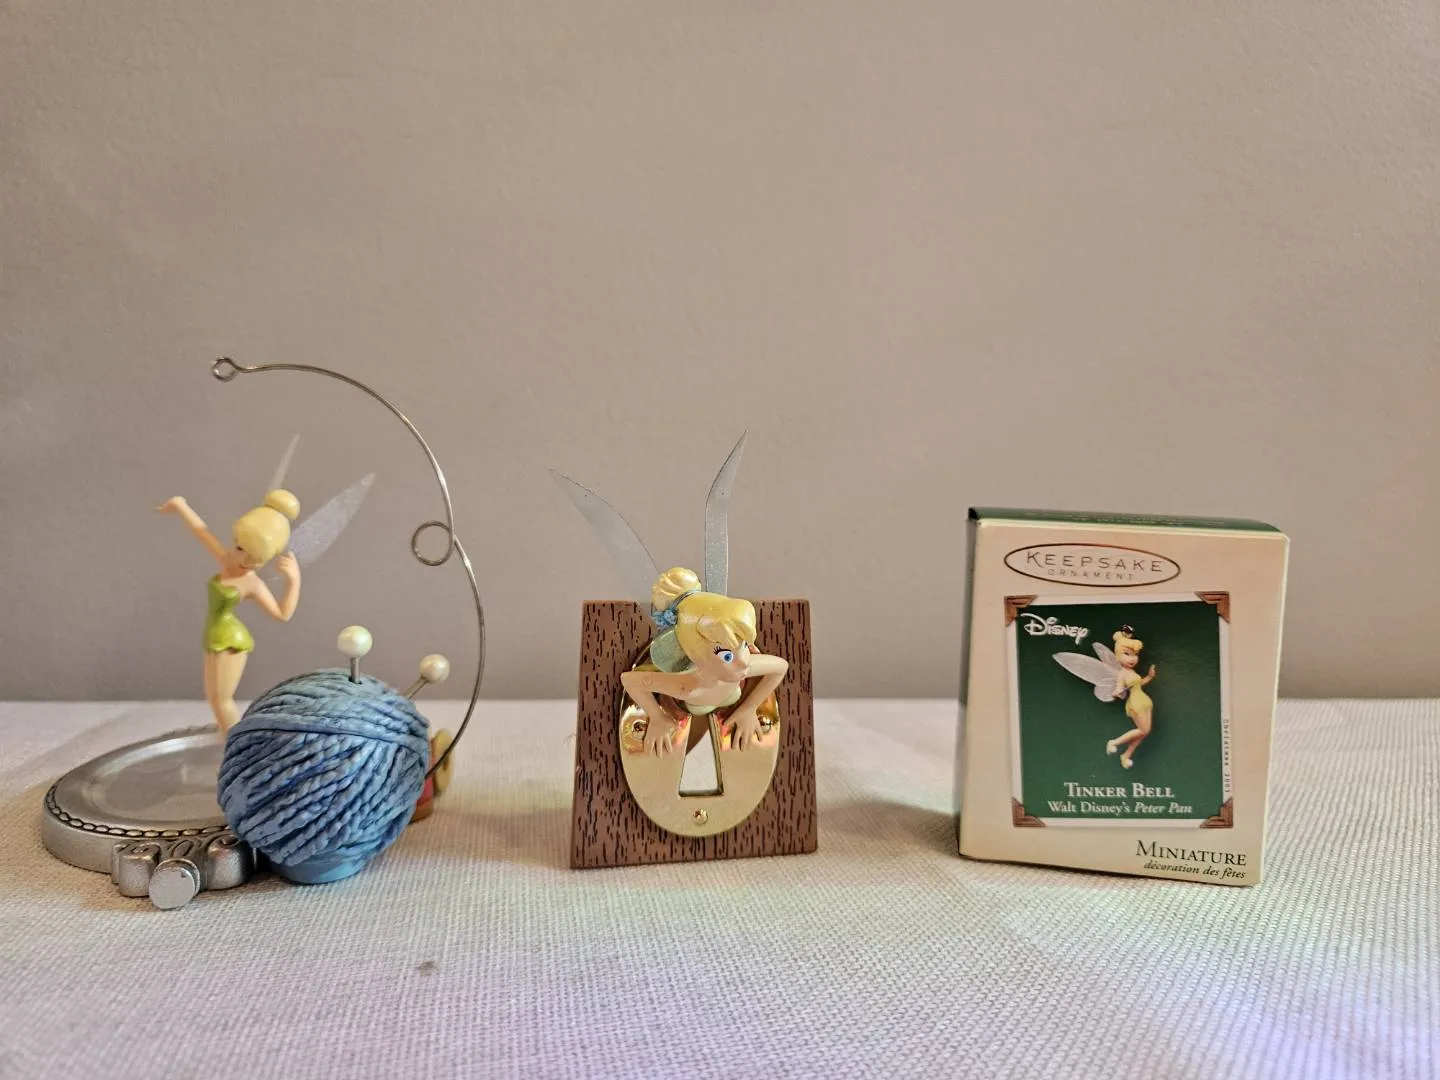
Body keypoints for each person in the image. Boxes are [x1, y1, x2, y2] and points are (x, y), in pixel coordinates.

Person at [158, 490, 302, 733]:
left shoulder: (252, 583)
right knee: (215, 699)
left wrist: (294, 581)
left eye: (255, 557)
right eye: (239, 547)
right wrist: (181, 506)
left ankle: (237, 745)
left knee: (223, 701)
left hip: (230, 640)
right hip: (213, 636)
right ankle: (228, 741)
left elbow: (282, 614)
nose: (243, 559)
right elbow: (202, 532)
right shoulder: (227, 562)